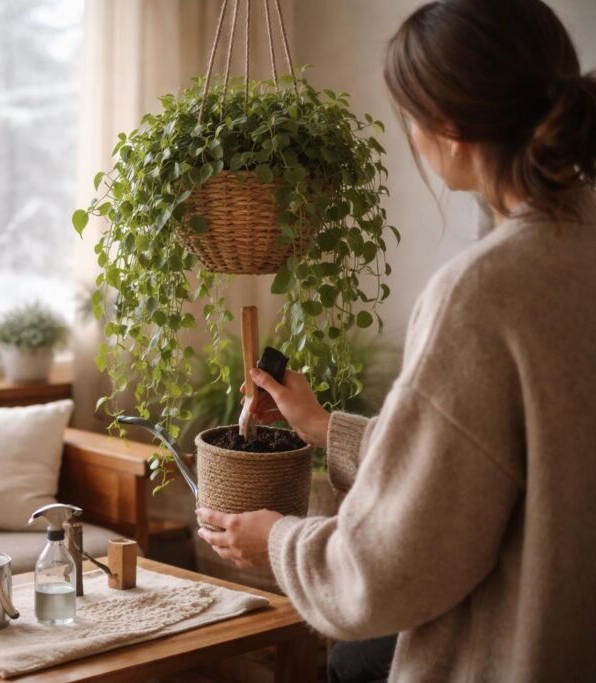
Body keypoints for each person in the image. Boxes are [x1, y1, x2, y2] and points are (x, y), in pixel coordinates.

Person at [195, 1, 596, 681]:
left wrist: (279, 540)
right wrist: (324, 427)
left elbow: (389, 566)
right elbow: (489, 464)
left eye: (407, 115)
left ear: (447, 126)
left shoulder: (481, 292)